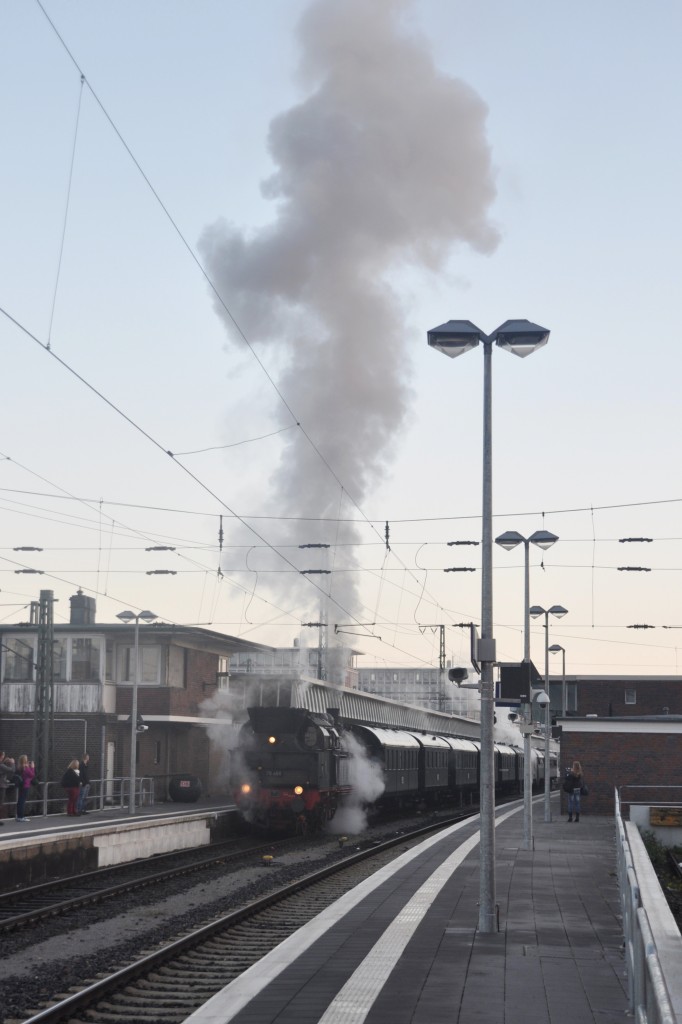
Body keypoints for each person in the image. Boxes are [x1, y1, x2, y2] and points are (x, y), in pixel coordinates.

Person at [15, 754, 35, 822]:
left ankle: (18, 816)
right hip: (25, 785)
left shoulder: (19, 767)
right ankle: (21, 817)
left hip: (21, 785)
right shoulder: (25, 767)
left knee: (20, 800)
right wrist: (32, 767)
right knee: (22, 801)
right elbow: (32, 775)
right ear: (25, 760)